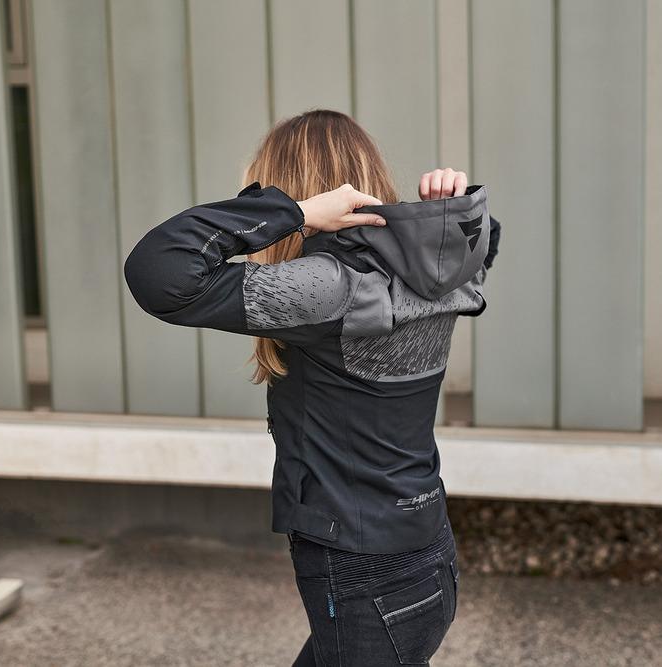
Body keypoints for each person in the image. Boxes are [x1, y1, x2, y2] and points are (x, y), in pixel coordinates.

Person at [124, 109, 499, 666]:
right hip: (427, 554)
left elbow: (160, 272)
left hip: (364, 575)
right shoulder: (431, 273)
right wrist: (448, 210)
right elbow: (487, 241)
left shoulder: (332, 286)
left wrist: (293, 213)